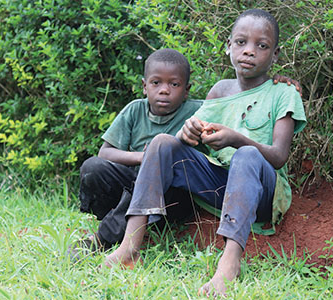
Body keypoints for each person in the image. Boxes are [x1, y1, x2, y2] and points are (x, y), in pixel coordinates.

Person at [103, 8, 307, 296]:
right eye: (240, 42)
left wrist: (237, 139)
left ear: (275, 55)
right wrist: (187, 133)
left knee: (247, 155)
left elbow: (278, 157)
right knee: (163, 142)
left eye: (261, 46)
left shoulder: (283, 93)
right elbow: (190, 140)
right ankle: (130, 246)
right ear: (228, 46)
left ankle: (229, 264)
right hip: (219, 187)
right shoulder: (220, 91)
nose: (249, 51)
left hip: (263, 193)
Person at [75, 48, 202, 252]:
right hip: (133, 183)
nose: (164, 90)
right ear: (144, 86)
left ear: (186, 90)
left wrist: (271, 82)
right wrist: (145, 157)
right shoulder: (135, 110)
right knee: (93, 168)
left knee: (161, 185)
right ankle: (118, 220)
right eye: (156, 82)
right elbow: (105, 153)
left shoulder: (197, 111)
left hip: (171, 193)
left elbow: (230, 101)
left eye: (174, 84)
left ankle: (103, 238)